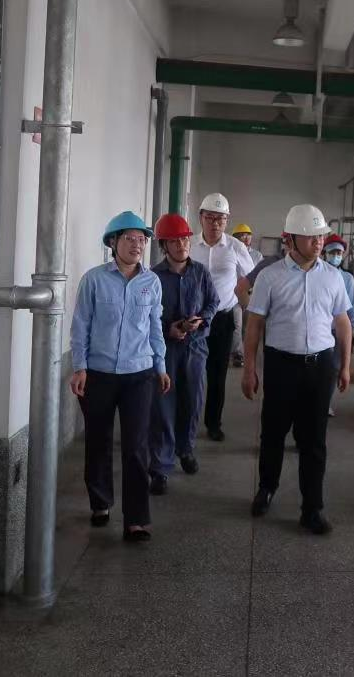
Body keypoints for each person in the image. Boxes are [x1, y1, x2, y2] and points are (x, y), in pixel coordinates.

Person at [242, 204, 352, 535]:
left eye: (320, 236)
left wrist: (345, 365)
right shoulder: (270, 277)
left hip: (320, 367)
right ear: (290, 239)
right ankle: (267, 487)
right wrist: (249, 368)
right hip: (282, 365)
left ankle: (312, 508)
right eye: (311, 236)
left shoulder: (333, 277)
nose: (319, 242)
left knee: (314, 440)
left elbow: (342, 322)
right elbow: (254, 324)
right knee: (273, 433)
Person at [69, 211, 171, 543]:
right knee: (98, 441)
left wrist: (161, 366)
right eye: (130, 238)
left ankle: (136, 520)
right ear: (113, 242)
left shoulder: (151, 282)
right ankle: (100, 502)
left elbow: (155, 327)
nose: (137, 245)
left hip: (139, 373)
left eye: (142, 240)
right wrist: (79, 367)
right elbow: (81, 326)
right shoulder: (94, 280)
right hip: (98, 374)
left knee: (136, 446)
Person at [148, 213, 218, 496]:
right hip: (165, 349)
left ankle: (185, 449)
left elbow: (213, 301)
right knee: (163, 405)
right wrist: (170, 329)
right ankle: (160, 466)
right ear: (164, 245)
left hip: (196, 347)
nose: (182, 245)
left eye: (185, 239)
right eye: (175, 241)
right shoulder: (153, 277)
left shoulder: (201, 273)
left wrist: (202, 320)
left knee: (192, 400)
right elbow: (148, 314)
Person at [193, 193, 254, 441]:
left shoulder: (236, 247)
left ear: (227, 220)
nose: (215, 223)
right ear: (201, 218)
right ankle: (186, 422)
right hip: (194, 320)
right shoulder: (190, 245)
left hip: (222, 319)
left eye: (221, 218)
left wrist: (245, 298)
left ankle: (213, 423)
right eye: (210, 217)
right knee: (191, 373)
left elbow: (252, 276)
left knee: (217, 375)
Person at [321, 234, 354, 418]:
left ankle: (324, 403)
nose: (336, 256)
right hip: (320, 331)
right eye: (333, 252)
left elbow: (352, 309)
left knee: (334, 369)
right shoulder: (317, 275)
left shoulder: (347, 279)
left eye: (339, 253)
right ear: (325, 253)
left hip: (337, 331)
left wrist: (351, 330)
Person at [230, 223, 263, 367]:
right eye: (242, 235)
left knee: (249, 326)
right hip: (235, 295)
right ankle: (238, 354)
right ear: (235, 238)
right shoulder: (231, 252)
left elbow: (261, 276)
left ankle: (248, 353)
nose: (245, 237)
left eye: (248, 235)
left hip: (252, 296)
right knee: (237, 325)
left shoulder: (257, 255)